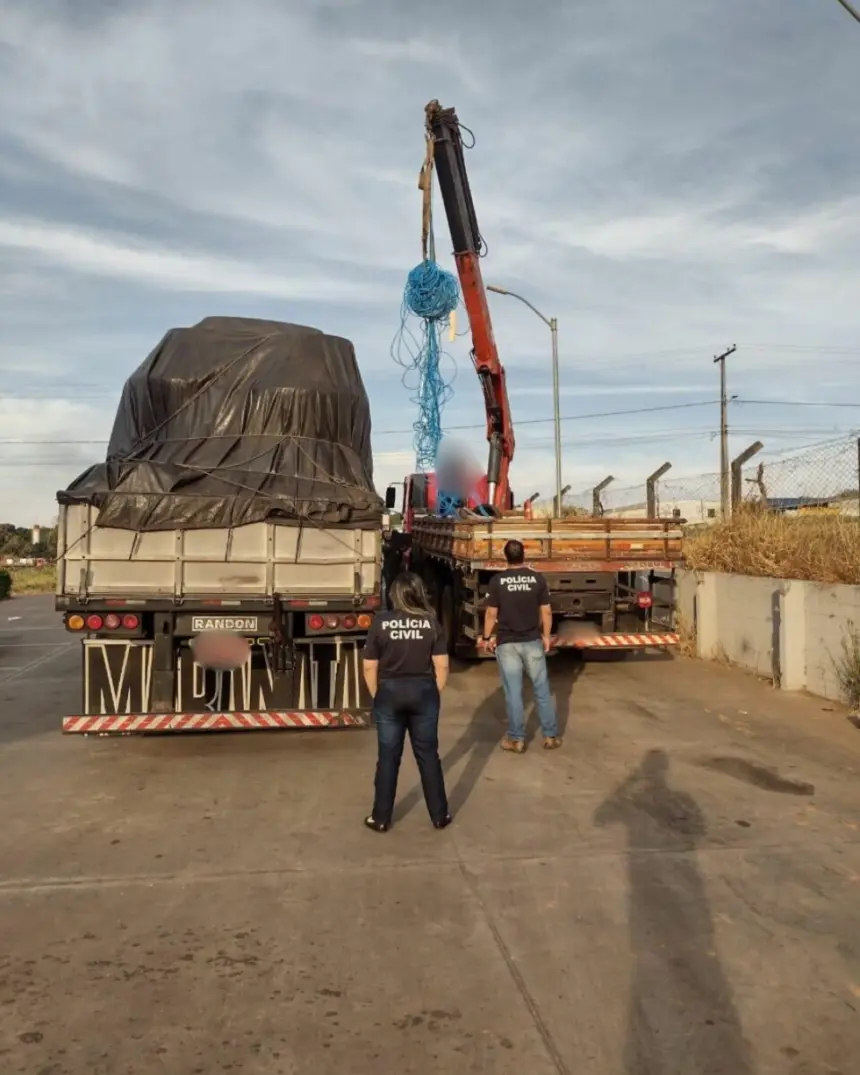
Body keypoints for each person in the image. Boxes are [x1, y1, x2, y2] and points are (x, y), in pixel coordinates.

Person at [361, 572, 451, 832]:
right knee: (428, 756)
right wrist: (434, 691)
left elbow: (369, 666)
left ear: (395, 595)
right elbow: (442, 665)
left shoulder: (381, 622)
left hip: (389, 692)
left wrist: (378, 695)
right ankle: (439, 815)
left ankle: (380, 818)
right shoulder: (431, 623)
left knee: (388, 757)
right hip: (424, 692)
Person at [482, 539, 561, 753]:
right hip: (532, 641)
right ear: (523, 555)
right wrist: (546, 636)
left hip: (507, 643)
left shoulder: (497, 581)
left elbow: (491, 613)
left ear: (505, 556)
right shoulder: (537, 580)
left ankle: (516, 739)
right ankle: (550, 735)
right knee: (542, 690)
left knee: (514, 692)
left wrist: (487, 636)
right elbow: (546, 611)